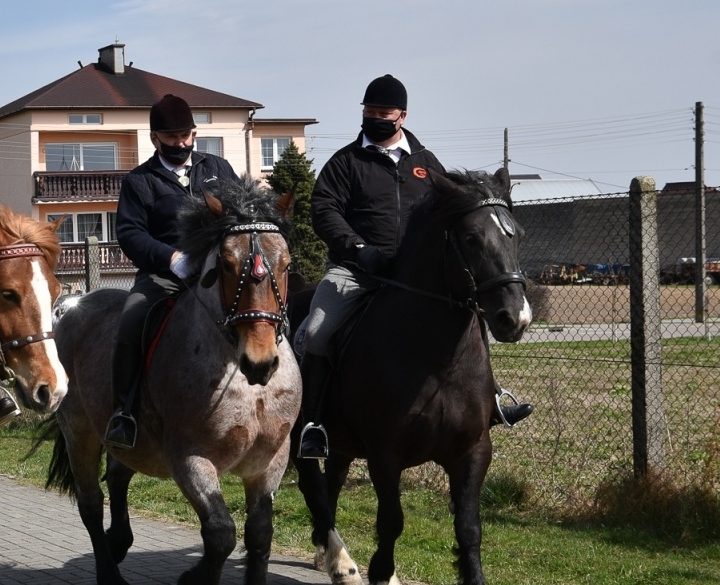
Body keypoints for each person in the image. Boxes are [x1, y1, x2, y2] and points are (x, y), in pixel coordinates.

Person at [295, 74, 532, 460]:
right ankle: (315, 425)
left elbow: (450, 216)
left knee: (468, 321)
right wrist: (360, 249)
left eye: (383, 112)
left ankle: (493, 399)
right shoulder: (344, 163)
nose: (374, 117)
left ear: (401, 116)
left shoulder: (426, 164)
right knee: (318, 332)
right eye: (369, 111)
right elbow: (325, 211)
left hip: (417, 276)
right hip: (357, 271)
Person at [104, 94, 242, 450]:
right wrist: (171, 258)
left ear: (195, 133)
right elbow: (130, 234)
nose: (181, 143)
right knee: (131, 321)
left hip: (219, 271)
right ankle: (125, 412)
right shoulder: (140, 181)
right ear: (155, 139)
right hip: (164, 276)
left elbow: (242, 214)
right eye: (172, 138)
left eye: (186, 135)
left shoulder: (219, 169)